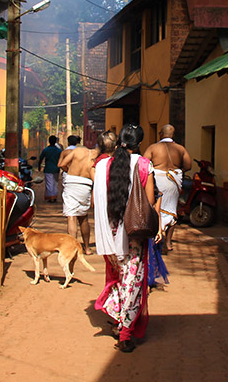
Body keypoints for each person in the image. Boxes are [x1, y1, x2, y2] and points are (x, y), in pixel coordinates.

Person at [93, 124, 161, 353]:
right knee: (132, 281)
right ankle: (125, 332)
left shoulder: (103, 165)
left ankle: (116, 316)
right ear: (139, 142)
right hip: (133, 235)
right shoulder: (143, 165)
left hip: (109, 234)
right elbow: (149, 204)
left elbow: (97, 202)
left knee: (118, 278)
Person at [143, 124, 192, 253]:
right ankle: (169, 242)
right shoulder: (180, 149)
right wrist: (176, 171)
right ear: (173, 135)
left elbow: (144, 164)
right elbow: (188, 165)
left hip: (157, 179)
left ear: (160, 134)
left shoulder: (153, 148)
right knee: (171, 210)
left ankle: (155, 237)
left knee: (155, 208)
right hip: (173, 181)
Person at [58, 135, 96, 254]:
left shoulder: (76, 152)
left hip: (71, 182)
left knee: (71, 217)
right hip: (85, 184)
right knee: (83, 217)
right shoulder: (93, 155)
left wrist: (68, 170)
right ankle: (87, 248)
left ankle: (73, 248)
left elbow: (61, 164)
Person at [37, 136, 63, 203]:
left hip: (48, 168)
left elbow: (41, 159)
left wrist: (39, 166)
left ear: (49, 141)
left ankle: (50, 197)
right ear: (55, 141)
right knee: (55, 183)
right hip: (56, 169)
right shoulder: (59, 151)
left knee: (49, 184)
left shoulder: (46, 150)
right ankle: (54, 197)